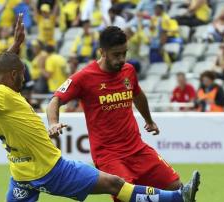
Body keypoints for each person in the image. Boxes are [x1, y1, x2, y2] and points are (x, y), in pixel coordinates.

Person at [0, 14, 200, 202]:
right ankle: (177, 198)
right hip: (51, 170)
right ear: (13, 76)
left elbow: (2, 69)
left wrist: (17, 45)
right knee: (115, 185)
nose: (25, 77)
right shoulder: (1, 94)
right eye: (22, 73)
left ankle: (177, 194)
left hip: (21, 175)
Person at [47, 26, 192, 202]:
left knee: (177, 187)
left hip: (137, 148)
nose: (122, 59)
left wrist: (149, 120)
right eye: (116, 54)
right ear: (102, 52)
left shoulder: (128, 71)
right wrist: (53, 122)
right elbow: (55, 100)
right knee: (126, 197)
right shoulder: (84, 77)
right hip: (108, 155)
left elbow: (137, 95)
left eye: (124, 53)